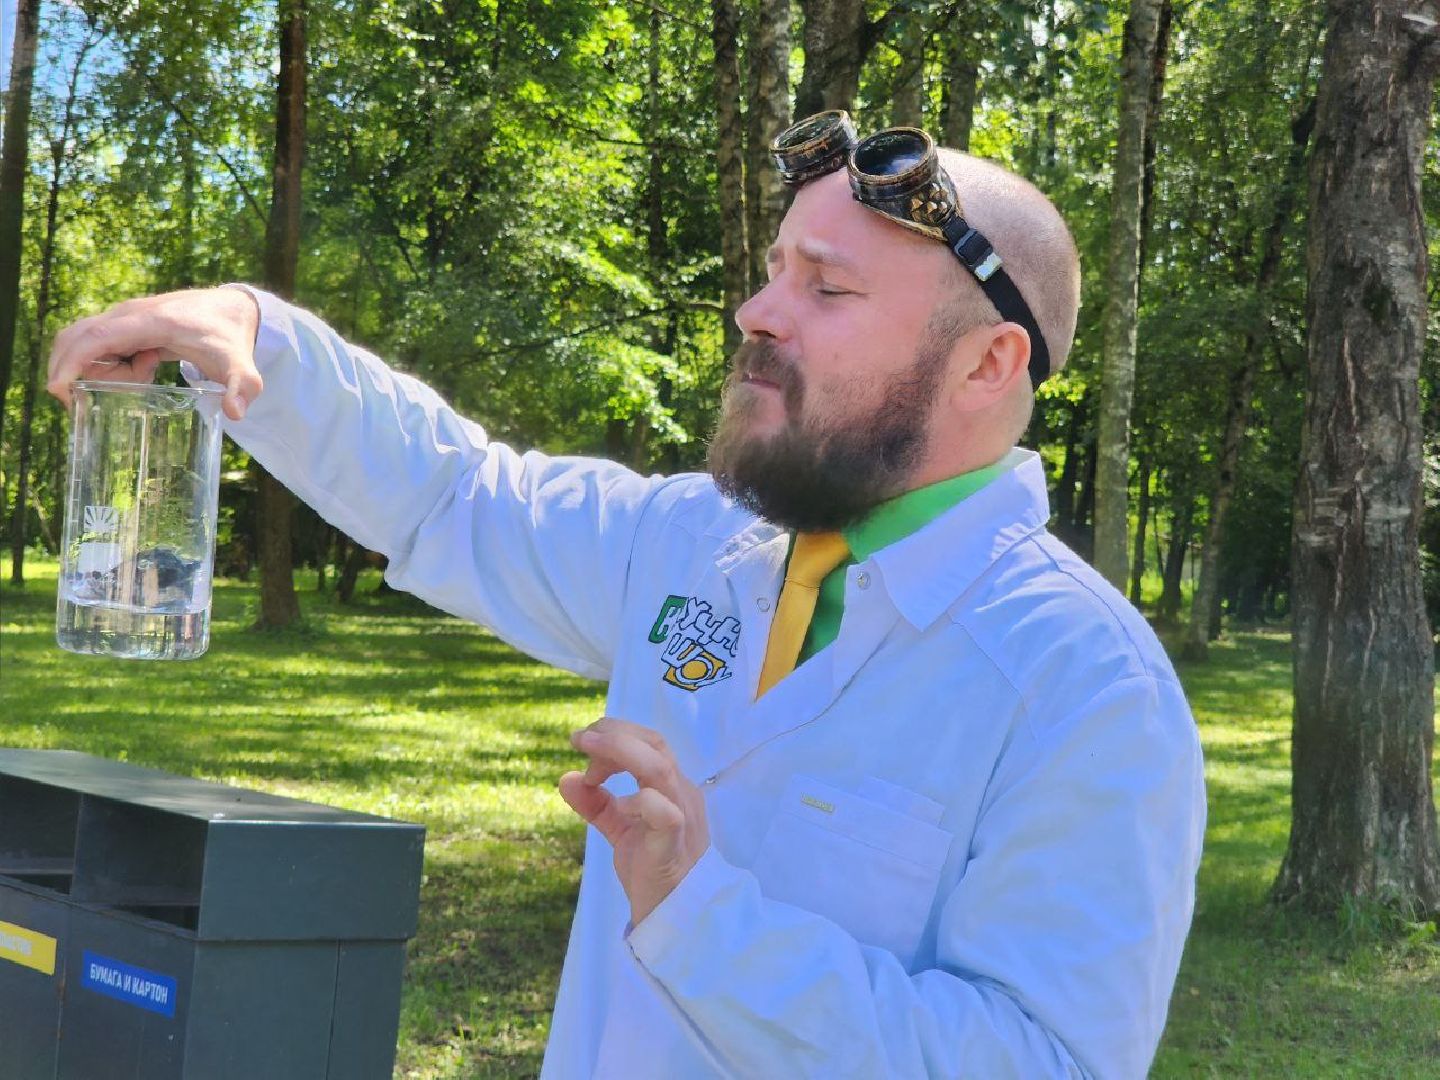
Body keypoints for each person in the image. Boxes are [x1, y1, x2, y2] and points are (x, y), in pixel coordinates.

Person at [48, 113, 1206, 1079]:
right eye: (772, 271)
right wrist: (258, 337)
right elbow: (456, 496)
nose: (758, 312)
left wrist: (705, 919)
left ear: (987, 365)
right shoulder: (698, 540)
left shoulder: (1082, 686)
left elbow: (1045, 1060)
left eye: (828, 288)